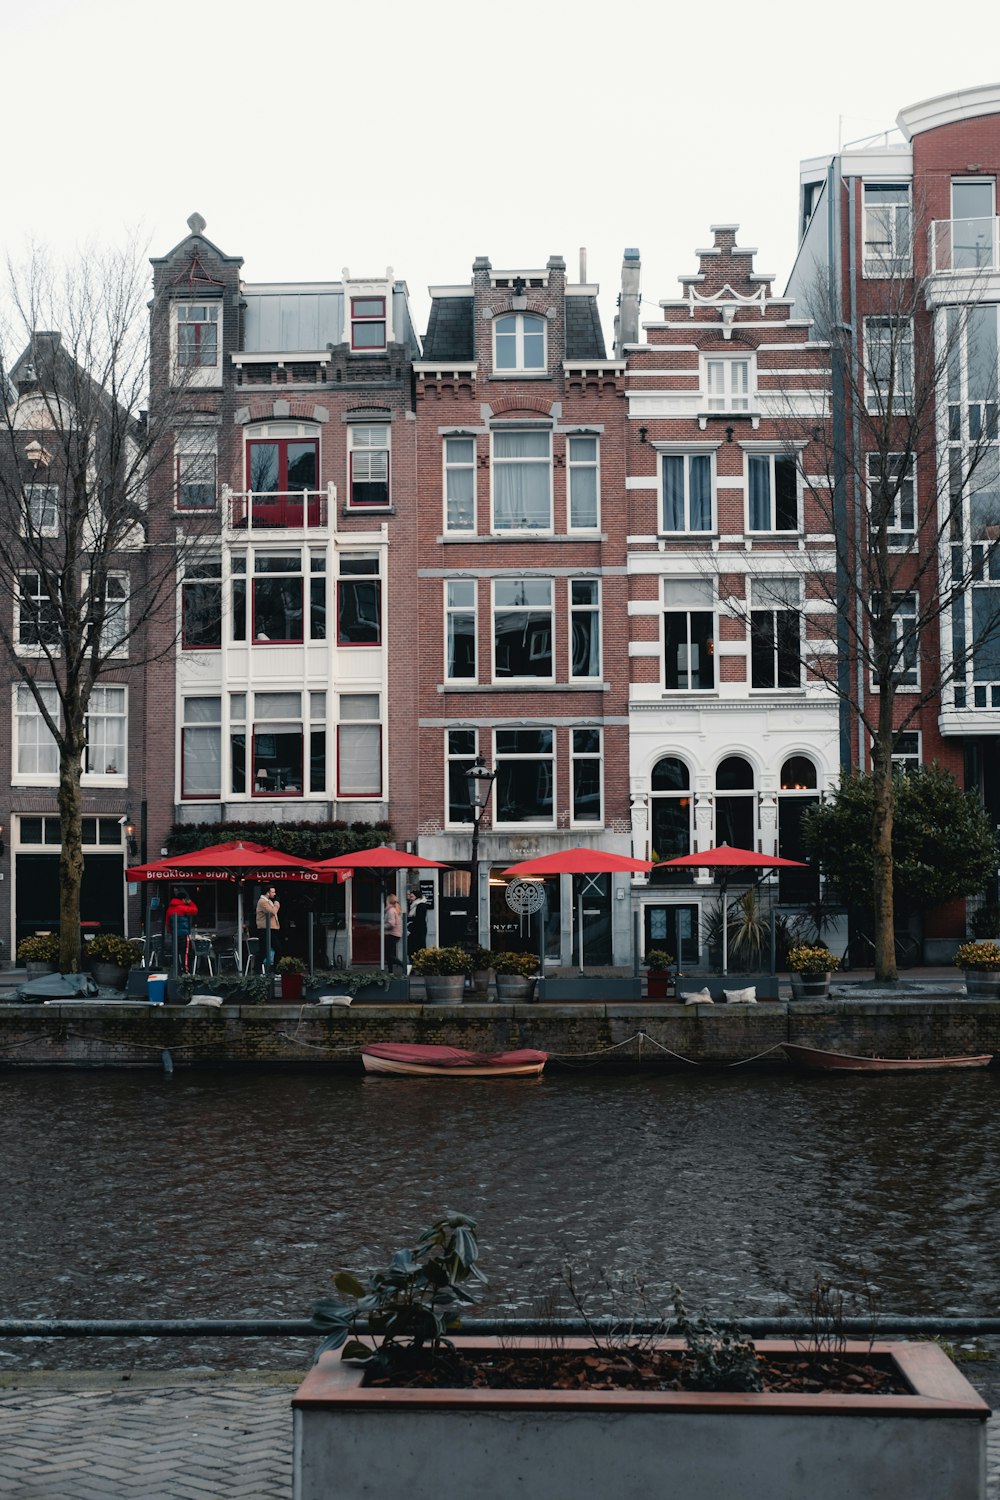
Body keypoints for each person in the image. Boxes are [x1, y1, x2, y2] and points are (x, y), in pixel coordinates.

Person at [165, 887, 198, 972]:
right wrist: (190, 902)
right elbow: (195, 911)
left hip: (174, 935)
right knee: (185, 953)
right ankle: (186, 970)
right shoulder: (183, 908)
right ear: (183, 899)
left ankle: (177, 969)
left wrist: (171, 931)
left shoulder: (169, 909)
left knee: (175, 952)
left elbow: (167, 923)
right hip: (183, 935)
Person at [255, 885, 281, 967]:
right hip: (265, 929)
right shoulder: (262, 901)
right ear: (267, 893)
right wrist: (277, 903)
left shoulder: (268, 901)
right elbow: (272, 912)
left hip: (271, 929)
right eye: (273, 892)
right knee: (264, 950)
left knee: (277, 948)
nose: (275, 894)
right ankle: (257, 968)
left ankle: (275, 968)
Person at [384, 893, 403, 971]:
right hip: (395, 934)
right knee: (389, 954)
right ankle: (390, 971)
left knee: (388, 955)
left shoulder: (391, 910)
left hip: (392, 934)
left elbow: (391, 923)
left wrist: (382, 926)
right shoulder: (396, 909)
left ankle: (404, 965)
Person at [407, 887, 428, 955]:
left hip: (418, 930)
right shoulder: (413, 905)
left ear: (417, 897)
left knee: (418, 946)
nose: (410, 898)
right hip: (415, 929)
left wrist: (411, 923)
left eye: (412, 896)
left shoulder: (420, 905)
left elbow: (420, 918)